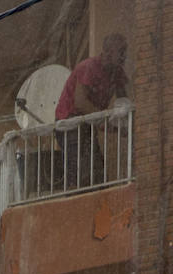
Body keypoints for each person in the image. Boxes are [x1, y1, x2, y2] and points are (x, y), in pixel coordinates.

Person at [53, 33, 129, 188]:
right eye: (120, 51)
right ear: (107, 52)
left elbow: (123, 101)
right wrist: (106, 122)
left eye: (125, 51)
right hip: (69, 124)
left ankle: (95, 201)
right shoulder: (89, 67)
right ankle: (75, 202)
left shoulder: (117, 72)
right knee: (79, 173)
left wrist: (125, 124)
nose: (124, 56)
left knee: (97, 174)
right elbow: (80, 102)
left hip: (86, 124)